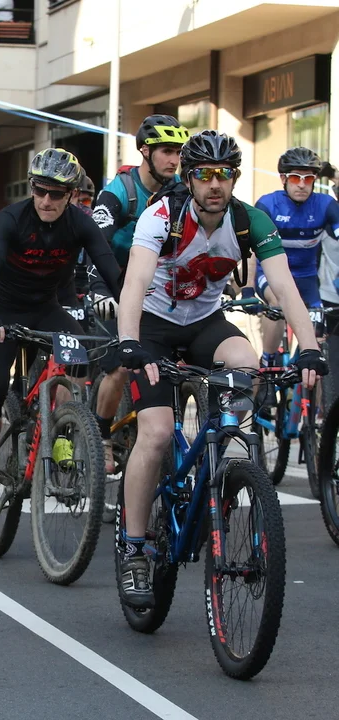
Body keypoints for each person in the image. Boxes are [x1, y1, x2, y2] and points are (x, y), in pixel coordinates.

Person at [115, 131, 327, 608]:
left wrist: (309, 349)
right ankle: (134, 549)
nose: (215, 184)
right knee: (156, 434)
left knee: (247, 365)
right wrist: (130, 342)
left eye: (225, 174)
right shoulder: (161, 216)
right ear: (189, 179)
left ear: (234, 178)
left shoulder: (249, 221)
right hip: (153, 325)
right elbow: (135, 283)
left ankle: (218, 465)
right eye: (205, 175)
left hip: (205, 323)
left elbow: (285, 288)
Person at [0, 148, 123, 518]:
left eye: (56, 193)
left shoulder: (80, 223)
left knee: (79, 357)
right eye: (39, 191)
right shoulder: (11, 218)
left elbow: (109, 268)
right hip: (3, 311)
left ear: (71, 195)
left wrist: (134, 307)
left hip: (45, 309)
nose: (46, 200)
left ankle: (62, 430)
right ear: (31, 188)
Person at [90, 115, 189, 472]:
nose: (174, 160)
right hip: (115, 281)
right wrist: (99, 288)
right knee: (120, 367)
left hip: (156, 284)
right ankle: (101, 435)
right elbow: (97, 242)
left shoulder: (181, 189)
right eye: (166, 152)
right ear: (145, 151)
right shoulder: (120, 190)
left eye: (178, 152)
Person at [255, 148, 339, 365]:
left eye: (308, 178)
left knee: (317, 343)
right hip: (271, 275)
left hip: (307, 278)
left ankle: (307, 378)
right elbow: (249, 251)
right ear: (283, 179)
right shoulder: (268, 204)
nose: (302, 185)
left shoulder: (325, 205)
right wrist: (246, 288)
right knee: (276, 302)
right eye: (295, 178)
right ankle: (267, 361)